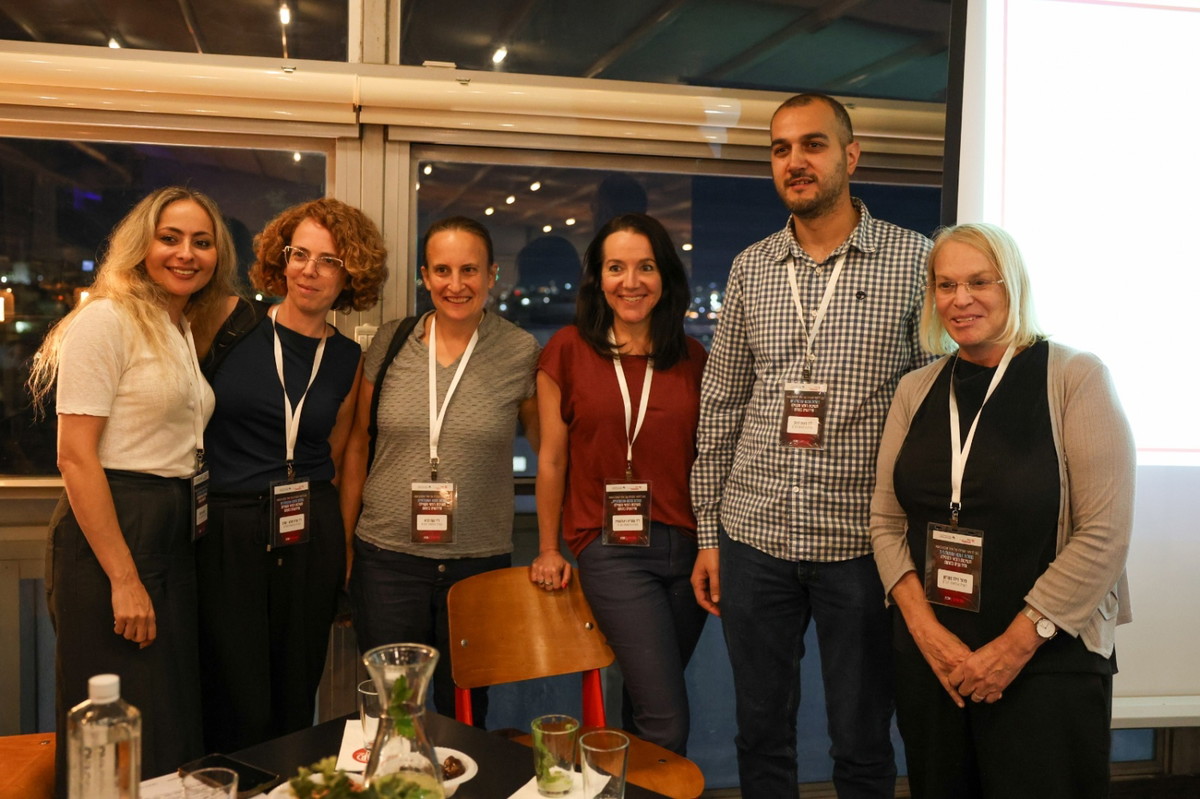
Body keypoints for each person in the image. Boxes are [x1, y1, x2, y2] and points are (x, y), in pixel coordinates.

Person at [689, 93, 933, 797]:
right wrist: (709, 534)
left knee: (862, 737)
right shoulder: (752, 267)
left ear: (851, 156)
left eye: (813, 145)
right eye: (780, 149)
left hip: (861, 545)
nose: (795, 161)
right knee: (761, 733)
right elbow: (722, 403)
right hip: (755, 537)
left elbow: (934, 411)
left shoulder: (914, 262)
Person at [869, 223, 1134, 798]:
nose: (960, 299)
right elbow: (886, 523)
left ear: (1012, 285)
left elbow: (1104, 535)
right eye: (945, 285)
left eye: (979, 282)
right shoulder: (915, 388)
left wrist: (1013, 648)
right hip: (935, 660)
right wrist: (925, 633)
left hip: (1046, 659)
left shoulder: (1075, 377)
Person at [29, 186, 237, 788]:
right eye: (169, 238)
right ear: (140, 245)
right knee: (116, 733)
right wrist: (123, 579)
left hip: (170, 530)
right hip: (114, 531)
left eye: (201, 242)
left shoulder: (175, 325)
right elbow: (75, 457)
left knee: (168, 720)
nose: (186, 253)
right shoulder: (106, 319)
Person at [194, 198, 387, 752]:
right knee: (232, 687)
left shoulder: (348, 357)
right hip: (229, 527)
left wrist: (343, 545)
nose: (309, 270)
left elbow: (342, 454)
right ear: (281, 260)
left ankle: (288, 783)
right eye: (300, 254)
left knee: (296, 686)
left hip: (309, 530)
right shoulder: (229, 324)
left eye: (329, 260)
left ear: (350, 275)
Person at [342, 216, 540, 725]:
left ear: (492, 274)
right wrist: (345, 544)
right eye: (442, 270)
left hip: (477, 565)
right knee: (392, 714)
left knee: (467, 714)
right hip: (387, 561)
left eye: (469, 269)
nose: (456, 284)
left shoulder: (520, 351)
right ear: (425, 276)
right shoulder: (391, 342)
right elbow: (358, 445)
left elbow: (551, 451)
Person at [531, 213, 708, 755]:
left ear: (665, 277)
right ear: (598, 279)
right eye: (616, 268)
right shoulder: (567, 350)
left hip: (689, 552)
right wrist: (548, 548)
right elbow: (552, 460)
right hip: (611, 550)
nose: (631, 282)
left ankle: (623, 788)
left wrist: (713, 546)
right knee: (667, 721)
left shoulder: (694, 358)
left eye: (645, 267)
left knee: (643, 704)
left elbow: (711, 460)